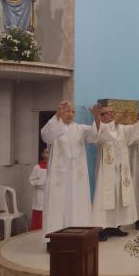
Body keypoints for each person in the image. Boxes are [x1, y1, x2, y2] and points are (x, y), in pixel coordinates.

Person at [40, 101, 99, 244]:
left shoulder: (79, 128)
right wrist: (56, 115)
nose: (70, 114)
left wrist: (97, 118)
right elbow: (45, 135)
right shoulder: (55, 126)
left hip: (77, 176)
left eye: (73, 112)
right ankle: (53, 241)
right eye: (67, 111)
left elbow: (94, 136)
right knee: (57, 206)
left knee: (77, 204)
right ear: (61, 112)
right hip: (59, 176)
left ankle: (77, 237)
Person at [92, 105, 139, 240]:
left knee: (119, 196)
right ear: (101, 116)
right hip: (106, 171)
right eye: (109, 113)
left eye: (113, 112)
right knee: (104, 198)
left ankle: (115, 226)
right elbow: (99, 137)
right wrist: (117, 121)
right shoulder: (99, 127)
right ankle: (100, 228)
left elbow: (135, 132)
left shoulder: (122, 128)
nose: (112, 115)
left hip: (121, 169)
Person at [28, 148, 48, 230]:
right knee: (39, 212)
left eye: (50, 152)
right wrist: (41, 182)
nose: (48, 154)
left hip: (50, 194)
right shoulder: (37, 167)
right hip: (40, 193)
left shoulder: (54, 167)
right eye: (46, 152)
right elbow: (32, 180)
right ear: (42, 155)